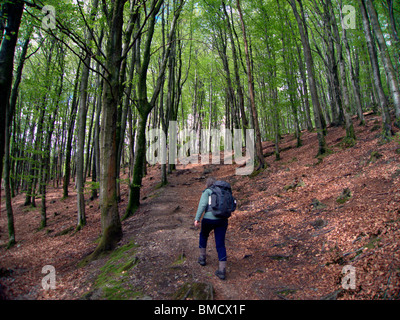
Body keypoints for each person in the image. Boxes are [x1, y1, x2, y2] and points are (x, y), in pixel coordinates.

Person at [194, 177, 228, 280]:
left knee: (203, 235)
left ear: (207, 184)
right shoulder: (223, 191)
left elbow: (202, 205)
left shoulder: (207, 191)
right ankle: (222, 270)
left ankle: (202, 258)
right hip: (222, 220)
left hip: (208, 219)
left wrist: (197, 219)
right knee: (220, 243)